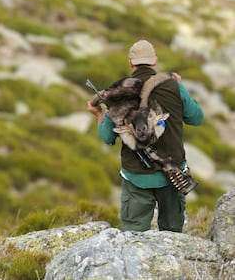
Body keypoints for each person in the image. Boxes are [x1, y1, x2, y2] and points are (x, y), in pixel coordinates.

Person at [87, 39, 204, 232]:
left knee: (133, 236)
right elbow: (196, 118)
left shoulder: (117, 93)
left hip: (136, 177)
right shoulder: (174, 85)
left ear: (131, 63)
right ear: (155, 62)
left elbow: (107, 137)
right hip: (173, 173)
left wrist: (99, 115)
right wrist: (179, 90)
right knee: (172, 234)